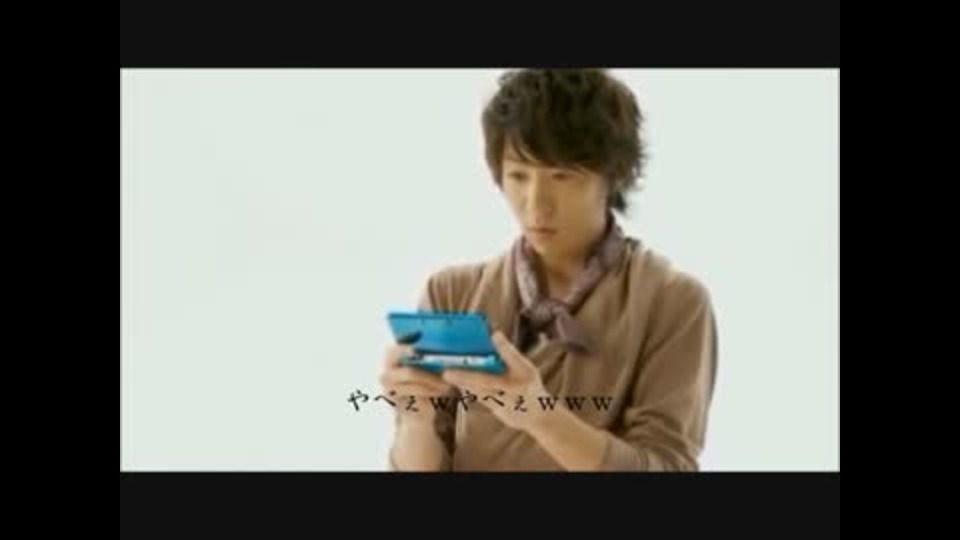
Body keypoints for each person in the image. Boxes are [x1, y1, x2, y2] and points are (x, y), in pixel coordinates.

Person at [380, 68, 718, 472]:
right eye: (519, 176)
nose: (536, 204)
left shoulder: (671, 301)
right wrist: (415, 421)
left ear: (613, 175)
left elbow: (667, 465)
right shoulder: (452, 293)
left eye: (562, 177)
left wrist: (541, 417)